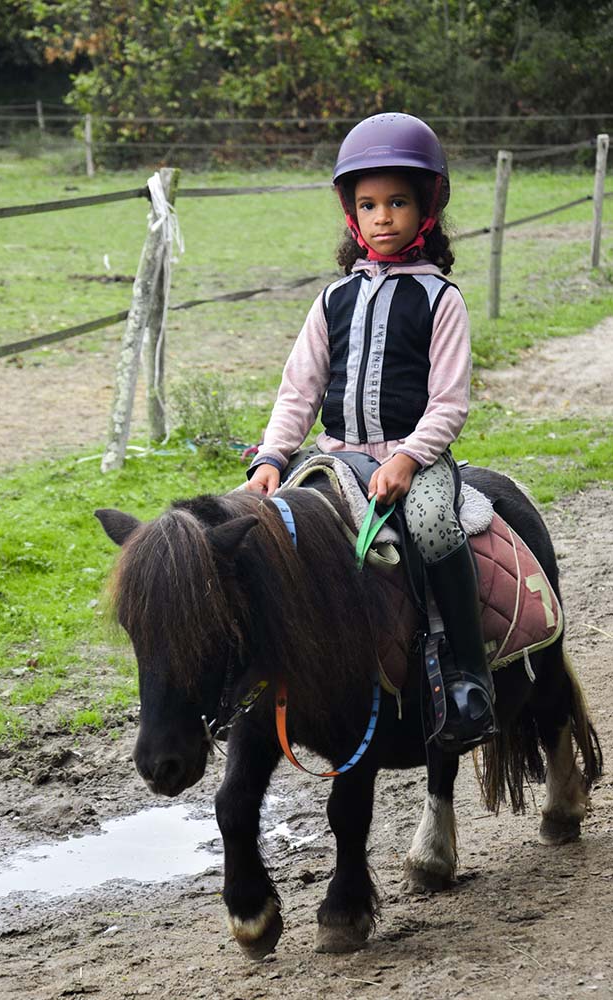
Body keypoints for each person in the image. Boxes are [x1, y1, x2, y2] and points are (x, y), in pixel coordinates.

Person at [244, 112, 497, 752]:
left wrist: (412, 459)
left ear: (426, 208)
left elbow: (449, 401)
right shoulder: (332, 300)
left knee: (435, 526)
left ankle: (468, 675)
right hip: (335, 457)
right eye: (369, 204)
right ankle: (260, 672)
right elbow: (299, 388)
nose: (383, 216)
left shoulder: (443, 300)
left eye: (397, 202)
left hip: (414, 460)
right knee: (262, 532)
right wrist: (273, 454)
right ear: (353, 213)